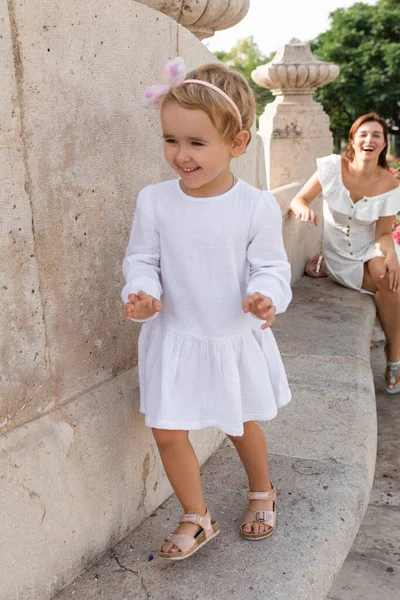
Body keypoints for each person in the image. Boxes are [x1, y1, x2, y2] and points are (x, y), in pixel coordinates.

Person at [121, 57, 292, 560]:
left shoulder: (256, 206)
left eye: (197, 143)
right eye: (171, 140)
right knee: (167, 430)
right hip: (173, 333)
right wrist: (141, 291)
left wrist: (266, 296)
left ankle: (261, 488)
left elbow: (271, 266)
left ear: (237, 143)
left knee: (240, 422)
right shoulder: (154, 200)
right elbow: (142, 257)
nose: (181, 155)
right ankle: (196, 515)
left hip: (230, 334)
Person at [290, 113, 400, 393]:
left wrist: (391, 255)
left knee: (388, 278)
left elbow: (383, 235)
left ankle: (393, 356)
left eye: (376, 135)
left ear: (383, 143)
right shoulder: (330, 167)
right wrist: (302, 208)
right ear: (353, 140)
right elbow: (299, 198)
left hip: (369, 248)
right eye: (363, 134)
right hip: (338, 256)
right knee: (386, 284)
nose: (369, 139)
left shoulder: (390, 184)